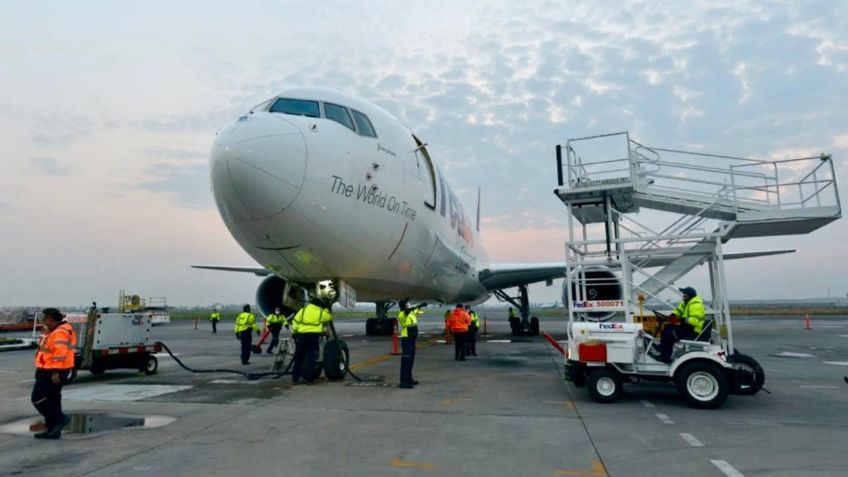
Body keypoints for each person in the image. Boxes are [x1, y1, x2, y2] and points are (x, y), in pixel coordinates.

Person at [31, 308, 76, 439]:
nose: (43, 321)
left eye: (45, 318)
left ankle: (60, 419)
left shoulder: (60, 333)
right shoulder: (56, 330)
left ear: (51, 318)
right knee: (53, 399)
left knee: (37, 398)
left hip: (51, 370)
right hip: (50, 368)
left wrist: (56, 371)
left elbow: (60, 354)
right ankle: (52, 430)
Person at [291, 281, 335, 385]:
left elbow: (295, 322)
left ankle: (295, 379)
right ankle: (309, 379)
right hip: (313, 337)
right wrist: (327, 309)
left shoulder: (303, 311)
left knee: (299, 357)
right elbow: (329, 318)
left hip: (301, 336)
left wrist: (295, 331)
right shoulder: (320, 312)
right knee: (311, 358)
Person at [651, 287, 706, 363]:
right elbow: (679, 310)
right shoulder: (686, 303)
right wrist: (672, 315)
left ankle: (666, 358)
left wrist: (680, 319)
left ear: (690, 296)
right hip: (687, 327)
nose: (683, 296)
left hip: (693, 330)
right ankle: (661, 347)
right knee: (667, 326)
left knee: (670, 335)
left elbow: (694, 321)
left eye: (685, 295)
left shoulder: (696, 305)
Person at [397, 299, 423, 389]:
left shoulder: (410, 313)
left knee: (411, 360)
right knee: (406, 361)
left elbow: (415, 311)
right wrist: (413, 307)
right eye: (406, 305)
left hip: (412, 339)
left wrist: (421, 306)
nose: (408, 306)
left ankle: (409, 378)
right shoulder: (402, 314)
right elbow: (408, 311)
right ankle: (403, 381)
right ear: (403, 306)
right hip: (407, 339)